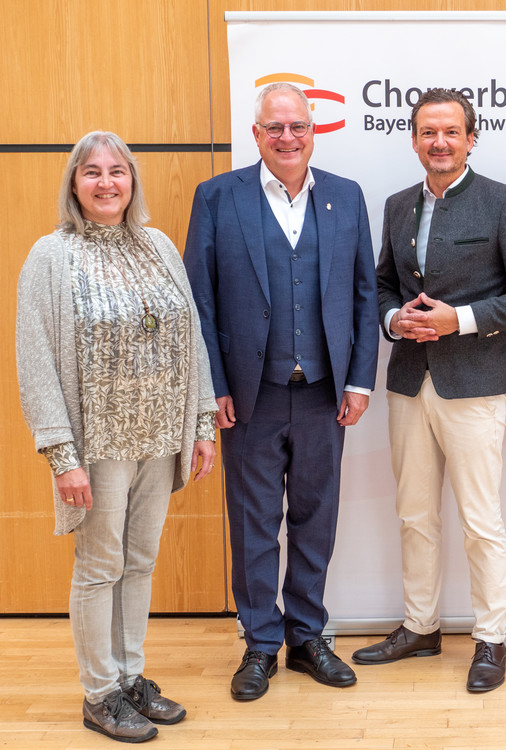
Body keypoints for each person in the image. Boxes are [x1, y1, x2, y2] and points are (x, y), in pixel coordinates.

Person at [16, 131, 218, 743]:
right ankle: (99, 692)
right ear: (74, 184)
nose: (107, 183)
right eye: (92, 172)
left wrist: (201, 422)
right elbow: (35, 360)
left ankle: (130, 678)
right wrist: (61, 455)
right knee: (100, 566)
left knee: (140, 562)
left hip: (160, 436)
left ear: (132, 181)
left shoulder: (159, 246)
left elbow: (192, 337)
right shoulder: (51, 256)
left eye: (117, 171)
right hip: (98, 444)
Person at [351, 88, 506, 693]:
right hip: (409, 382)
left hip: (474, 384)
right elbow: (383, 285)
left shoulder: (503, 202)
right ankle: (421, 627)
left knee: (480, 519)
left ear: (470, 138)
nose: (439, 142)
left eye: (450, 132)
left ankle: (491, 638)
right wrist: (394, 320)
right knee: (414, 514)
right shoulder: (397, 205)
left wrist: (456, 320)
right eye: (428, 132)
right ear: (414, 140)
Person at [183, 83, 379, 701]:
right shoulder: (218, 196)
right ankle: (260, 644)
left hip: (324, 392)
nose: (287, 138)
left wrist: (358, 379)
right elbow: (199, 301)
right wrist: (212, 386)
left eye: (298, 127)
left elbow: (364, 296)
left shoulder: (346, 196)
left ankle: (307, 638)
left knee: (317, 519)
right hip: (250, 396)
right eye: (275, 128)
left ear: (314, 131)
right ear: (257, 134)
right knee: (254, 523)